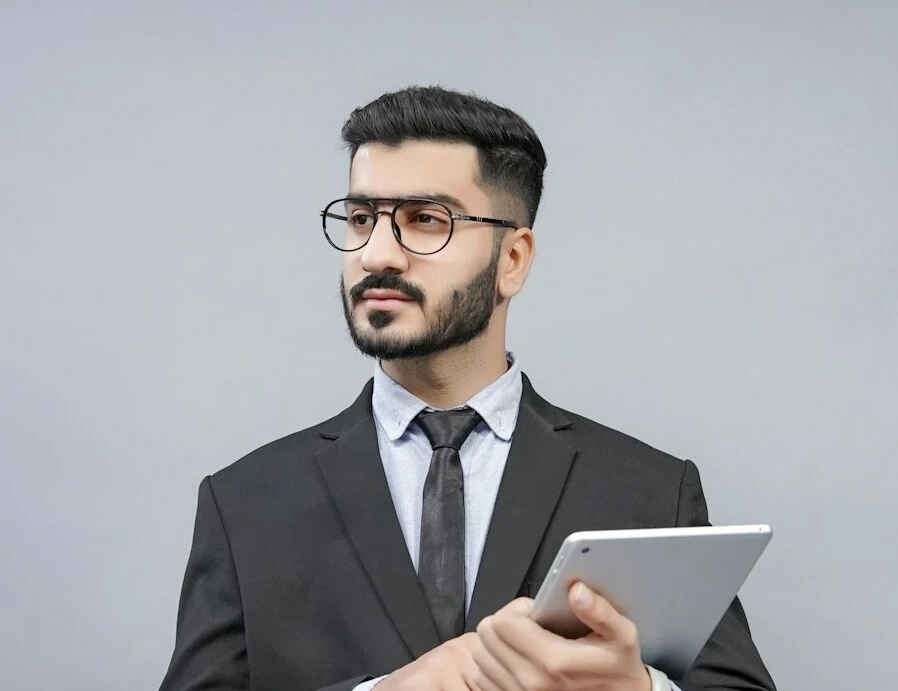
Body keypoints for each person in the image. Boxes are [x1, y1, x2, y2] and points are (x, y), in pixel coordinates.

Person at [160, 86, 776, 691]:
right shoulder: (244, 503)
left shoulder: (650, 494)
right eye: (361, 218)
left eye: (426, 220)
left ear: (513, 259)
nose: (377, 253)